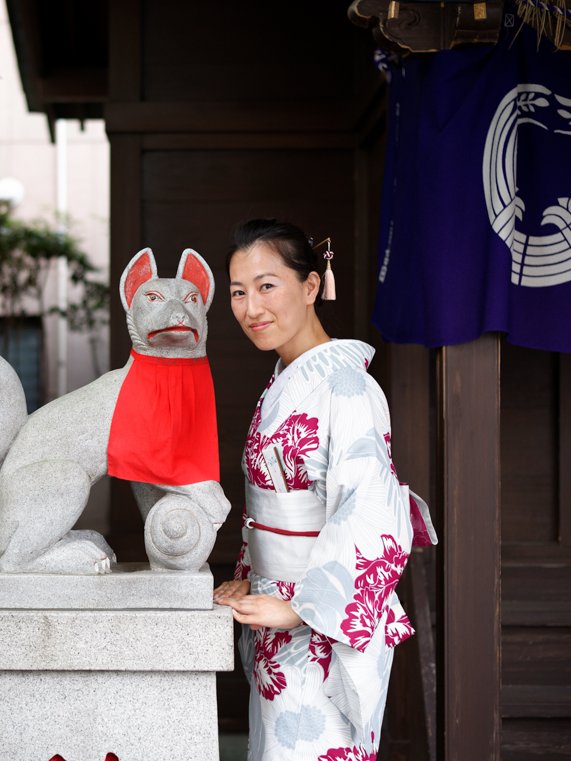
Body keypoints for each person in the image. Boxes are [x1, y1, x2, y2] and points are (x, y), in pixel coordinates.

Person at [213, 219, 419, 761]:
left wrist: (301, 607)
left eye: (266, 286)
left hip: (320, 620)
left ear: (310, 288)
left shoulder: (348, 388)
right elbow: (268, 507)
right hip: (275, 616)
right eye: (238, 292)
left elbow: (371, 509)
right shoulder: (284, 381)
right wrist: (250, 576)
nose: (251, 307)